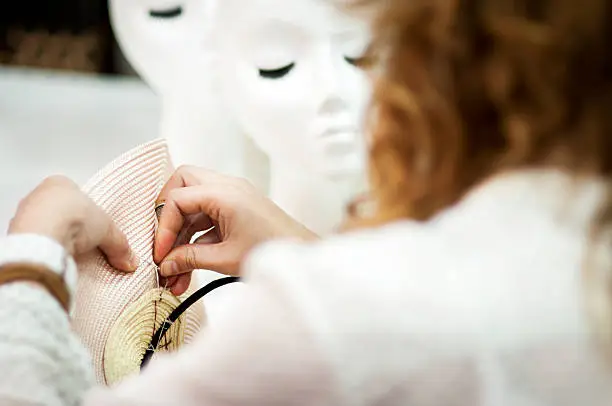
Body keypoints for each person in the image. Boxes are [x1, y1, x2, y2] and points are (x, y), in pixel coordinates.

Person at [2, 0, 612, 404]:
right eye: (278, 65)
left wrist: (27, 266)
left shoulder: (336, 322)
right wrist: (303, 251)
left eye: (365, 53)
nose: (338, 95)